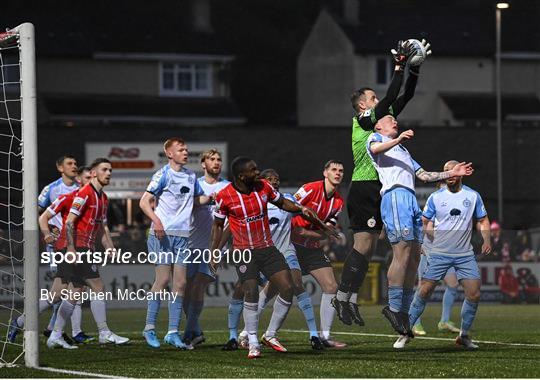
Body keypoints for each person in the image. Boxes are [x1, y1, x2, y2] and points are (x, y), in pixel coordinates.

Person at [335, 39, 431, 326]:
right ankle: (342, 297)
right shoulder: (363, 121)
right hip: (364, 186)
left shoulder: (380, 121)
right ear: (363, 105)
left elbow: (405, 97)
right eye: (374, 99)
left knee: (370, 249)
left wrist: (414, 69)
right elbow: (391, 98)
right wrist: (399, 67)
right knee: (363, 246)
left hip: (380, 190)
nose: (380, 102)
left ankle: (349, 299)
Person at [210, 157, 333, 359]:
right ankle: (252, 341)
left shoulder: (264, 187)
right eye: (253, 170)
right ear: (242, 176)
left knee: (288, 287)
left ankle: (270, 333)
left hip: (268, 248)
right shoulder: (225, 196)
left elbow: (283, 202)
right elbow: (218, 226)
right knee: (249, 290)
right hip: (244, 251)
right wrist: (214, 251)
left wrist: (300, 208)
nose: (257, 173)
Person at [366, 117, 473, 340]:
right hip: (395, 196)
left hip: (411, 200)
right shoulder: (376, 138)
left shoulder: (404, 151)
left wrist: (452, 174)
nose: (394, 121)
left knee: (414, 257)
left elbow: (424, 176)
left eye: (395, 119)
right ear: (379, 126)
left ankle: (403, 314)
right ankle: (393, 308)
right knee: (402, 252)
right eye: (389, 119)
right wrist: (398, 139)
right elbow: (376, 149)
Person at [232, 169, 325, 351]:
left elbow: (305, 212)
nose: (274, 182)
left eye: (277, 179)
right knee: (258, 293)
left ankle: (312, 334)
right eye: (270, 179)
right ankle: (244, 334)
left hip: (286, 250)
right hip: (263, 252)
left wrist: (323, 228)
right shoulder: (257, 200)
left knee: (296, 284)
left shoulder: (287, 199)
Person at [403, 160, 491, 350]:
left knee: (474, 294)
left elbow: (483, 219)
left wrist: (486, 239)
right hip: (439, 253)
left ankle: (464, 335)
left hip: (464, 254)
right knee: (424, 290)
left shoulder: (473, 196)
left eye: (452, 170)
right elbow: (425, 222)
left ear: (461, 173)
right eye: (445, 171)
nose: (448, 174)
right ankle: (406, 331)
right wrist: (424, 240)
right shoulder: (435, 197)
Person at [46, 158, 129, 349]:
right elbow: (69, 222)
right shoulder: (85, 193)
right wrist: (71, 249)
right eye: (104, 170)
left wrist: (109, 246)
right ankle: (104, 332)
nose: (108, 173)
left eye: (110, 170)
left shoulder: (103, 198)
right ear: (93, 173)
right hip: (78, 247)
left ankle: (55, 335)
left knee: (74, 293)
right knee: (98, 287)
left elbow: (100, 228)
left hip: (86, 247)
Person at [139, 138, 213, 350]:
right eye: (181, 150)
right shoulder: (163, 174)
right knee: (162, 280)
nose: (185, 152)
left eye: (186, 149)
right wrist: (157, 222)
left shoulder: (191, 176)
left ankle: (172, 332)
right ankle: (149, 328)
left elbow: (196, 200)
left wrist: (212, 198)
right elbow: (144, 202)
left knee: (180, 284)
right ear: (169, 153)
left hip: (182, 236)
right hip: (162, 234)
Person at [9, 166, 94, 344]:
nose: (91, 180)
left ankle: (25, 323)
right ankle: (64, 332)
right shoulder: (68, 197)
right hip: (66, 250)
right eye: (88, 177)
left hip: (79, 249)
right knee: (74, 290)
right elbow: (44, 217)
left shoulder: (92, 200)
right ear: (80, 180)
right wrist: (48, 233)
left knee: (59, 294)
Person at [290, 160, 347, 348]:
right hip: (292, 245)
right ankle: (246, 334)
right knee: (277, 287)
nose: (338, 173)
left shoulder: (338, 201)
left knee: (331, 286)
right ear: (325, 173)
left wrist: (306, 232)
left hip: (312, 247)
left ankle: (324, 336)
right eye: (334, 170)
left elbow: (327, 232)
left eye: (341, 171)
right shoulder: (309, 189)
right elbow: (287, 208)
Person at [183, 149, 230, 347]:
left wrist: (218, 248)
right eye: (212, 159)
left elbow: (231, 220)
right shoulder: (196, 185)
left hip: (213, 247)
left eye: (219, 159)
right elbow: (186, 205)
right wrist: (208, 198)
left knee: (198, 285)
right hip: (190, 245)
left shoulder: (228, 187)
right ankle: (196, 331)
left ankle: (187, 334)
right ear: (203, 164)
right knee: (186, 290)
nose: (216, 162)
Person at [412, 182, 461, 336]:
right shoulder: (434, 202)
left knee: (453, 284)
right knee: (424, 287)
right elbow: (427, 228)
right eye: (443, 186)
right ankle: (414, 322)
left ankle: (444, 321)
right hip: (430, 251)